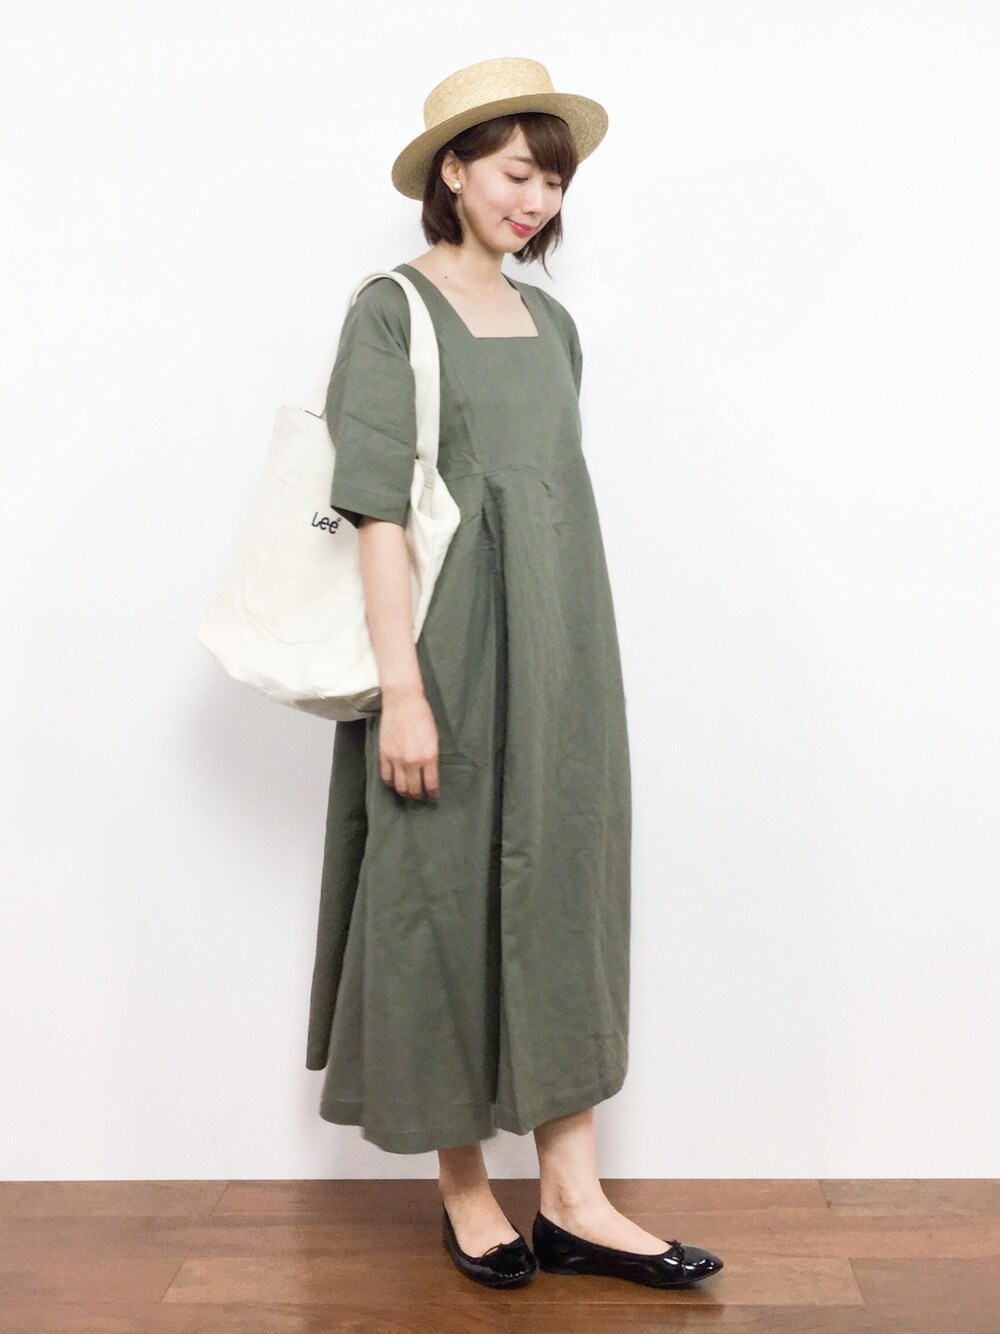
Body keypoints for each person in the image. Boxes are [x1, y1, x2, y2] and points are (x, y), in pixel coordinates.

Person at [305, 56, 723, 1291]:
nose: (536, 200)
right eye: (515, 173)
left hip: (564, 648)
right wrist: (404, 689)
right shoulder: (391, 310)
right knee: (439, 892)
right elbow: (378, 511)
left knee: (563, 889)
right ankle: (465, 1185)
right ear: (454, 169)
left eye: (553, 181)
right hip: (444, 652)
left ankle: (576, 1198)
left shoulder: (555, 324)